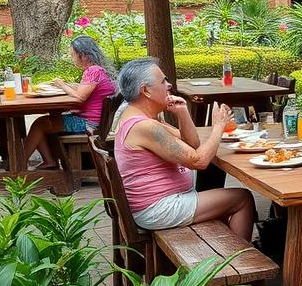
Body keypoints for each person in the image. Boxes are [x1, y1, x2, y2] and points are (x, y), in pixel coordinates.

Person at [112, 57, 256, 242]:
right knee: (242, 198)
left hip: (157, 203)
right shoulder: (145, 127)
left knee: (221, 197)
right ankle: (239, 264)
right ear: (145, 90)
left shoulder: (138, 117)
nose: (169, 85)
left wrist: (183, 113)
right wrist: (219, 126)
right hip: (158, 208)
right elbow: (199, 161)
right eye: (163, 81)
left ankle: (226, 255)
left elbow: (192, 145)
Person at [21, 35, 117, 169]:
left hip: (88, 124)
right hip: (98, 122)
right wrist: (69, 85)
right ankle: (49, 161)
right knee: (45, 121)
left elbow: (80, 97)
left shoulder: (93, 71)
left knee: (39, 124)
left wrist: (62, 85)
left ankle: (19, 164)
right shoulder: (99, 69)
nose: (72, 59)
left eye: (73, 55)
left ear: (83, 55)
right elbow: (84, 89)